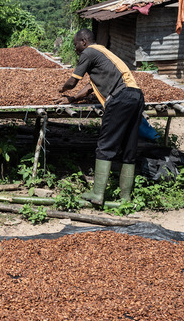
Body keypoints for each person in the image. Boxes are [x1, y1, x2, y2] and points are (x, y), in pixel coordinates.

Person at [55, 28, 145, 205]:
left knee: (105, 145)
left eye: (75, 45)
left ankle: (97, 194)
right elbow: (90, 87)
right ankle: (125, 197)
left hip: (120, 98)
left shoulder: (88, 52)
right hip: (136, 96)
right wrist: (72, 99)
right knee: (129, 146)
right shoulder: (103, 52)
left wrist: (63, 89)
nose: (75, 49)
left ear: (84, 42)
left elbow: (73, 81)